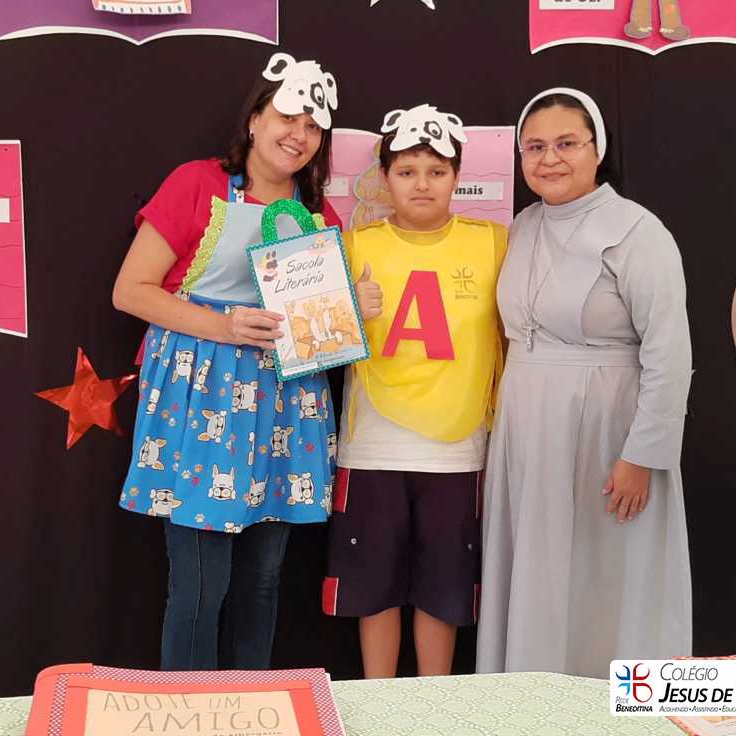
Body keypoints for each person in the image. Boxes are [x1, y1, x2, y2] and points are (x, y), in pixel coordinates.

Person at [112, 52, 342, 671]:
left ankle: (251, 704)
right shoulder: (197, 183)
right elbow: (130, 291)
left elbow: (321, 329)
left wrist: (355, 305)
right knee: (199, 584)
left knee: (263, 580)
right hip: (201, 397)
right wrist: (225, 326)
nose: (299, 134)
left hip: (284, 406)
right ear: (255, 120)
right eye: (287, 117)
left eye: (313, 126)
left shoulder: (318, 213)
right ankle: (187, 708)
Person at [476, 87, 692, 678]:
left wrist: (643, 456)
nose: (549, 159)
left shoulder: (639, 231)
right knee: (537, 570)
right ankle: (533, 697)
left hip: (608, 434)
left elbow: (670, 354)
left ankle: (609, 704)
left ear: (597, 148)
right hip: (527, 430)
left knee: (606, 576)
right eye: (534, 147)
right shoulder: (522, 226)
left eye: (566, 144)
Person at [322, 104, 508, 678]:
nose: (422, 184)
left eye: (436, 171)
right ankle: (380, 705)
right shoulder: (352, 244)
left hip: (458, 448)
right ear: (384, 178)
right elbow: (311, 343)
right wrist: (346, 311)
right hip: (373, 446)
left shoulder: (494, 242)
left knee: (443, 590)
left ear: (457, 176)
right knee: (373, 588)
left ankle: (436, 705)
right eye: (406, 171)